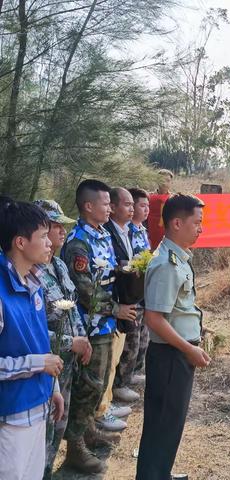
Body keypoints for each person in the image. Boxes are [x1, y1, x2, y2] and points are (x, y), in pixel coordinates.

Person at [61, 180, 137, 474]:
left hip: (106, 323)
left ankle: (88, 429)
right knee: (89, 385)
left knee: (100, 381)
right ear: (88, 206)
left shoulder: (102, 235)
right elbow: (84, 290)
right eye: (105, 204)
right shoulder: (78, 242)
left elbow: (107, 274)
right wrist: (116, 308)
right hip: (90, 325)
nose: (110, 208)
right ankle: (75, 448)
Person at [136, 193, 211, 480]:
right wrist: (188, 349)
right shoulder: (167, 264)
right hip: (170, 356)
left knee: (169, 423)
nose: (200, 229)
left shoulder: (177, 257)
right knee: (163, 423)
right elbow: (154, 318)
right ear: (177, 223)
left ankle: (159, 473)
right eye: (197, 222)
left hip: (175, 353)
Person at [0, 200, 64, 480]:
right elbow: (40, 358)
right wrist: (39, 364)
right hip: (11, 417)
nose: (50, 242)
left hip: (38, 407)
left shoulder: (33, 282)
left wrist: (54, 387)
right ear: (20, 242)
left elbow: (41, 344)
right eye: (42, 236)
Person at [33, 200, 93, 480]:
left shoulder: (58, 264)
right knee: (39, 435)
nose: (61, 231)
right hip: (42, 366)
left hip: (65, 368)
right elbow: (31, 330)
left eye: (60, 225)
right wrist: (72, 343)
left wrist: (82, 339)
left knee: (59, 426)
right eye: (54, 226)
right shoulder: (30, 273)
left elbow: (72, 307)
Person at [95, 187, 137, 433]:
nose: (130, 209)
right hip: (103, 314)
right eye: (127, 204)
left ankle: (106, 404)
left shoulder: (118, 231)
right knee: (103, 367)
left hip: (117, 308)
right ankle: (100, 411)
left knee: (112, 361)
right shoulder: (101, 234)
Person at [111, 188, 151, 408]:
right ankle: (120, 384)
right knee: (128, 342)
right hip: (119, 300)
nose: (139, 209)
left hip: (136, 293)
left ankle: (128, 376)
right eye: (137, 205)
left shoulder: (134, 230)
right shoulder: (112, 232)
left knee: (138, 340)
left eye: (147, 206)